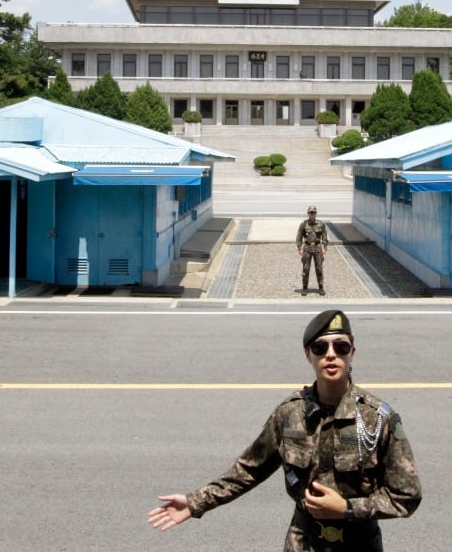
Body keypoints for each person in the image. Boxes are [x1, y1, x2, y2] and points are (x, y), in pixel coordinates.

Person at [148, 310, 421, 551]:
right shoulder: (289, 414)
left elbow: (406, 497)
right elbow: (248, 470)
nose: (331, 355)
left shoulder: (378, 419)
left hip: (359, 543)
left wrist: (347, 509)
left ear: (353, 353)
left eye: (340, 347)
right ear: (308, 355)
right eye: (320, 348)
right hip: (303, 542)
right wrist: (196, 502)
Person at [296, 205, 330, 295]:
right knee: (306, 269)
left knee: (319, 268)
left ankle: (321, 287)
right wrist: (299, 248)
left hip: (317, 248)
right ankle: (304, 287)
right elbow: (299, 237)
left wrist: (325, 247)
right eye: (310, 213)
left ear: (316, 214)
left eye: (313, 213)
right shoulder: (303, 224)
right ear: (308, 214)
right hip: (307, 248)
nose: (312, 215)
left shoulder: (321, 224)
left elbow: (324, 236)